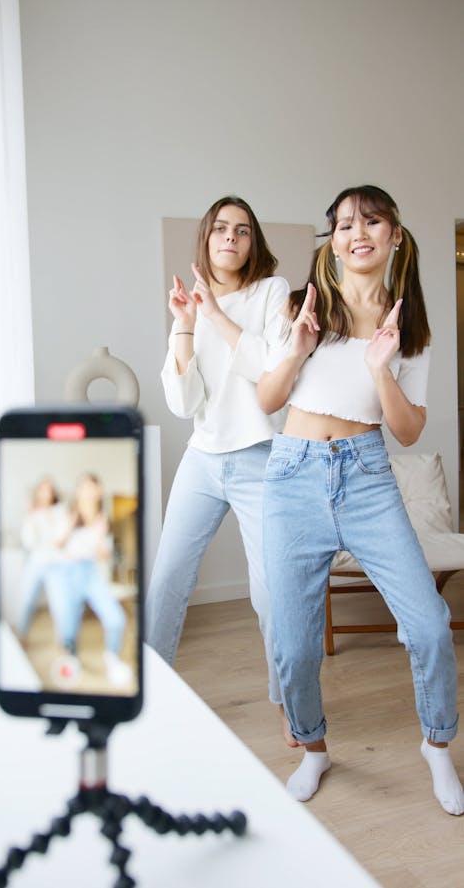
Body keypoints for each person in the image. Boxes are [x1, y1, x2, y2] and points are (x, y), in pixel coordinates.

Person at [258, 184, 464, 814]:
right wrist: (295, 350)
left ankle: (437, 746)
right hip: (293, 476)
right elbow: (268, 401)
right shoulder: (305, 306)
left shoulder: (413, 327)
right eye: (345, 224)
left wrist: (382, 368)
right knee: (292, 646)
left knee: (429, 628)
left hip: (368, 478)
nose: (358, 232)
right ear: (334, 240)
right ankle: (315, 750)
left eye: (372, 221)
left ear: (395, 235)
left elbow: (407, 429)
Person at [146, 194, 292, 737]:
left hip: (259, 457)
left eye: (243, 230)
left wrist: (214, 314)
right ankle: (151, 693)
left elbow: (272, 370)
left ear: (253, 243)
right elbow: (184, 404)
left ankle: (290, 707)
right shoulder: (193, 304)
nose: (231, 237)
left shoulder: (270, 293)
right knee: (165, 582)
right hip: (202, 460)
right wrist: (186, 322)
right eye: (221, 229)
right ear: (206, 238)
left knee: (269, 592)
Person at [45, 473, 132, 687]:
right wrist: (71, 523)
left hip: (91, 572)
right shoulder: (65, 513)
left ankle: (112, 659)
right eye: (84, 487)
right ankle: (71, 658)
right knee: (68, 627)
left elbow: (104, 555)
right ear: (78, 491)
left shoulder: (103, 518)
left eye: (93, 487)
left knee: (116, 619)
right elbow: (56, 545)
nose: (89, 491)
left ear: (99, 492)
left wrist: (101, 534)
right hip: (66, 572)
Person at [17, 477, 67, 637]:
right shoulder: (32, 513)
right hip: (36, 563)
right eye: (43, 489)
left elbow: (60, 539)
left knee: (60, 606)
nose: (46, 493)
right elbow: (29, 542)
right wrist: (31, 515)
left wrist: (48, 518)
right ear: (37, 492)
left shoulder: (60, 511)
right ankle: (21, 636)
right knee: (26, 602)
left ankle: (65, 643)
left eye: (49, 489)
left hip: (55, 564)